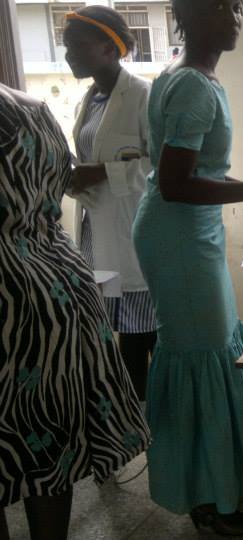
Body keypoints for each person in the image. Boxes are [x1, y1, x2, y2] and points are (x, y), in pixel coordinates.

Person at [132, 0, 243, 535]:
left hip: (187, 229)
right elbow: (175, 183)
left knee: (217, 346)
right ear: (191, 13)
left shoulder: (187, 75)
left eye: (238, 6)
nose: (235, 15)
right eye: (222, 6)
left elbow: (194, 173)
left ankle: (230, 474)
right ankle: (206, 497)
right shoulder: (190, 85)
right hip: (178, 235)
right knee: (200, 355)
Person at [0, 82, 150, 540]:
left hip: (9, 292)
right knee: (45, 443)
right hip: (57, 285)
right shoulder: (33, 107)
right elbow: (63, 180)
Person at [63, 5, 156, 404]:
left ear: (109, 47)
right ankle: (130, 433)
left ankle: (151, 435)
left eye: (76, 46)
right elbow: (88, 159)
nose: (69, 55)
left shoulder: (142, 96)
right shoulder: (90, 100)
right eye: (65, 47)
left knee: (140, 334)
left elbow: (161, 166)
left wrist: (104, 173)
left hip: (133, 237)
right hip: (95, 235)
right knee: (114, 330)